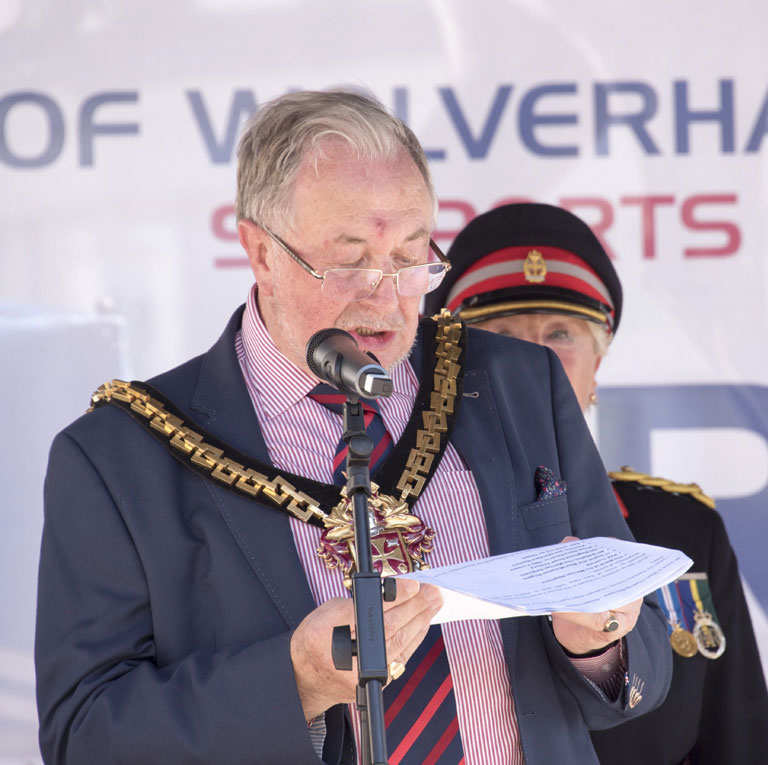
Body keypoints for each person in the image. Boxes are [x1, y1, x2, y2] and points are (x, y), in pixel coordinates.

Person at [36, 91, 672, 765]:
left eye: (409, 257)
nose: (386, 295)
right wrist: (296, 682)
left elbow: (647, 656)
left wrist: (600, 642)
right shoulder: (121, 456)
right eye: (349, 261)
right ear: (261, 251)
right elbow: (85, 736)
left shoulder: (519, 383)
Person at [423, 201, 768, 764]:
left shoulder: (683, 528)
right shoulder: (412, 528)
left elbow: (738, 737)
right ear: (450, 371)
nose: (534, 360)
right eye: (501, 337)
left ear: (597, 367)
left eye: (561, 334)